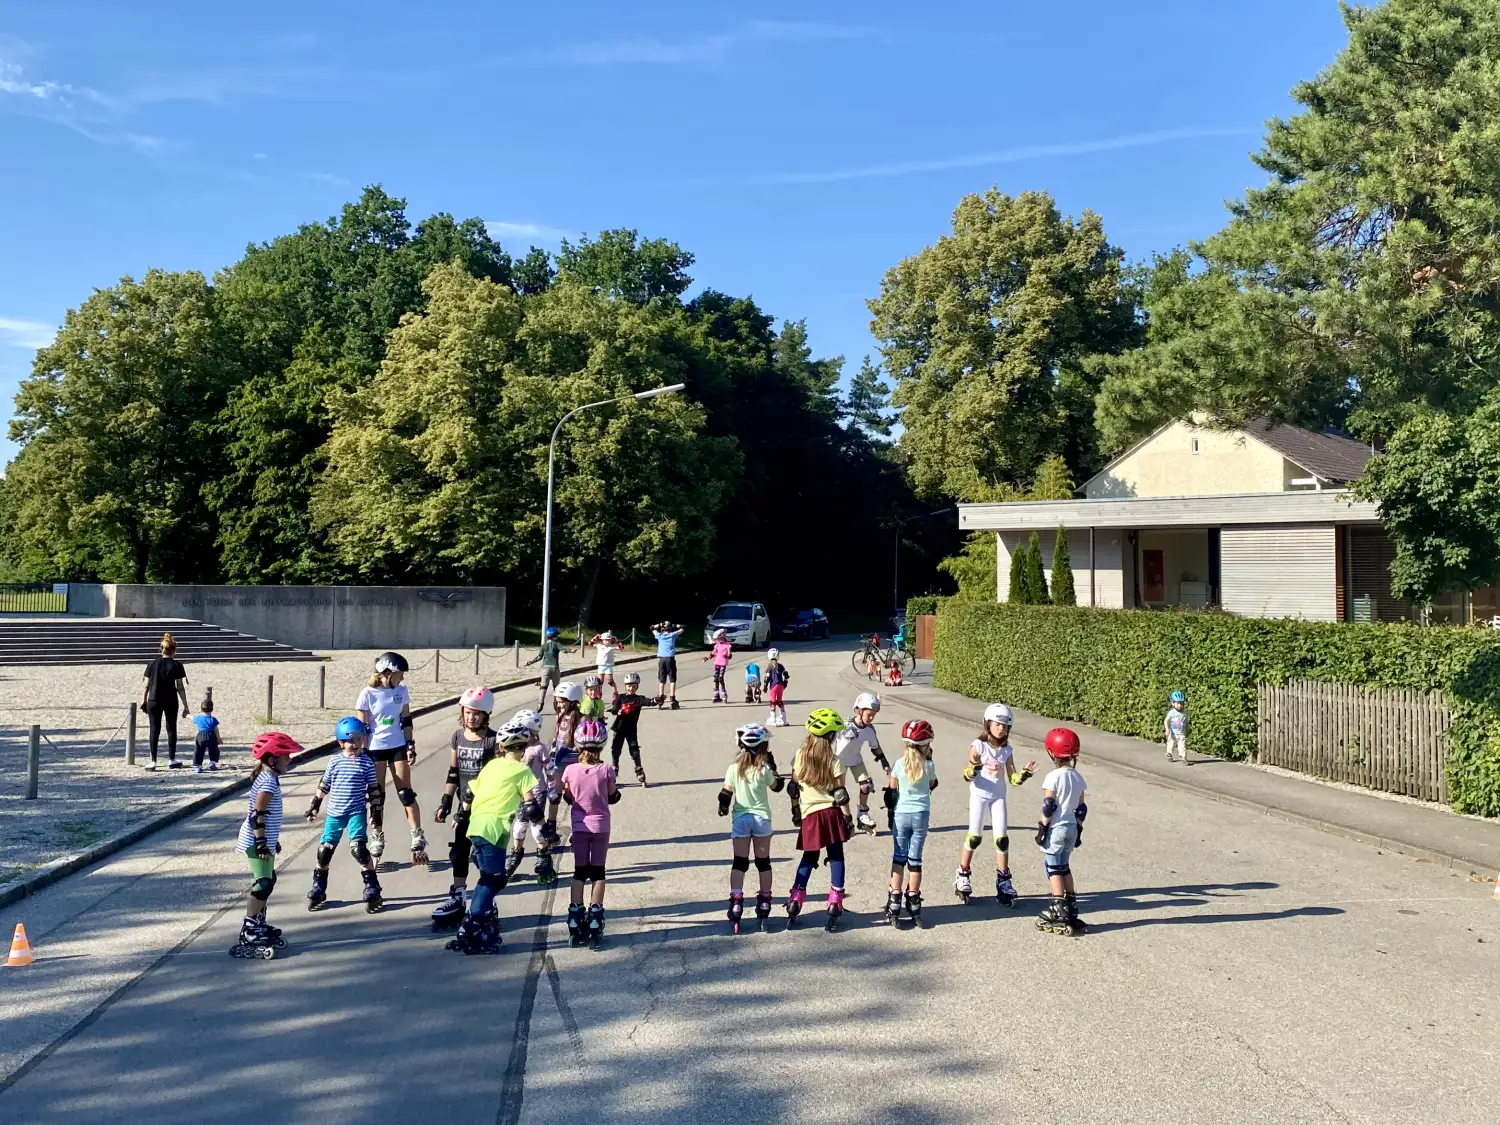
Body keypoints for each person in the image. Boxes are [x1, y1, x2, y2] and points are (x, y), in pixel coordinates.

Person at [445, 723, 539, 955]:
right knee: (495, 880)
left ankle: (475, 922)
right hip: (493, 829)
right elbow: (530, 807)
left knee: (488, 878)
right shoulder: (522, 771)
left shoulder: (491, 766)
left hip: (476, 826)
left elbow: (468, 792)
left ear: (500, 747)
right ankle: (471, 925)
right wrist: (544, 827)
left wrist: (461, 814)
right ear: (525, 747)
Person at [430, 686, 502, 930]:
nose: (471, 717)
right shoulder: (457, 737)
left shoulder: (493, 740)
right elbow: (453, 773)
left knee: (482, 856)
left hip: (485, 808)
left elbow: (495, 777)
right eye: (468, 712)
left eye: (477, 713)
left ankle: (486, 902)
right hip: (463, 805)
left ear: (486, 715)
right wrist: (445, 802)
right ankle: (459, 895)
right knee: (459, 853)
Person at [954, 702, 1036, 907]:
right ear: (987, 724)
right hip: (980, 795)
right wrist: (972, 771)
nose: (1001, 728)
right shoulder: (978, 746)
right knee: (974, 837)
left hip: (999, 797)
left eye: (1005, 725)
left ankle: (1004, 880)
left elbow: (1013, 778)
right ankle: (962, 873)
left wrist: (1024, 775)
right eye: (997, 724)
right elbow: (967, 774)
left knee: (1002, 840)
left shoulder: (1007, 750)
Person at [230, 731, 301, 959]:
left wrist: (272, 840)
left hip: (264, 839)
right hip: (255, 839)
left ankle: (258, 923)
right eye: (285, 756)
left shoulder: (269, 778)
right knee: (263, 884)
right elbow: (257, 816)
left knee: (268, 881)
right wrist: (261, 843)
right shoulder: (267, 783)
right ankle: (250, 931)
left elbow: (266, 817)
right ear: (272, 760)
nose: (289, 759)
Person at [304, 717, 383, 914]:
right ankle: (319, 887)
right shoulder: (335, 761)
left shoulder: (367, 762)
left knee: (359, 850)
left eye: (359, 739)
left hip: (356, 811)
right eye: (351, 740)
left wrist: (376, 812)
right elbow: (325, 784)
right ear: (341, 743)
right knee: (324, 851)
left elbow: (374, 789)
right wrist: (315, 805)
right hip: (334, 813)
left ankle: (372, 886)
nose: (355, 744)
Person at [355, 651, 428, 866]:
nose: (403, 678)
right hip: (375, 749)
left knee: (405, 792)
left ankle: (417, 834)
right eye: (400, 674)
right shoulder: (367, 694)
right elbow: (363, 727)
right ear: (386, 673)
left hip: (397, 746)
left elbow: (406, 719)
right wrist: (361, 753)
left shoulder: (402, 691)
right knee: (377, 796)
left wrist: (410, 745)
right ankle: (377, 836)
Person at [785, 708, 851, 931]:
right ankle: (835, 901)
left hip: (810, 816)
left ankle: (795, 899)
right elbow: (841, 794)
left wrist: (796, 812)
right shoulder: (834, 760)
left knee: (808, 858)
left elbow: (793, 788)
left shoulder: (800, 756)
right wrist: (848, 819)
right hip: (832, 815)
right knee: (836, 856)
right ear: (831, 736)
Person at [717, 722, 783, 933]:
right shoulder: (763, 769)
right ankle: (764, 902)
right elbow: (777, 787)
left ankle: (736, 902)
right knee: (763, 863)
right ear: (763, 747)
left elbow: (725, 793)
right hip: (762, 819)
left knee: (740, 863)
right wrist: (773, 766)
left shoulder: (733, 769)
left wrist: (723, 807)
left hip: (741, 819)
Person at [562, 718, 620, 948]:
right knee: (598, 872)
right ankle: (595, 917)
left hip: (579, 827)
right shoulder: (606, 770)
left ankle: (576, 915)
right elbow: (612, 795)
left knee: (579, 872)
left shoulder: (570, 770)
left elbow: (567, 796)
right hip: (600, 827)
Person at [1034, 727, 1089, 936]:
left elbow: (1048, 805)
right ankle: (1072, 905)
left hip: (1056, 828)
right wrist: (1079, 829)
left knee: (1053, 868)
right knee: (1065, 867)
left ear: (1051, 752)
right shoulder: (1077, 777)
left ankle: (1059, 908)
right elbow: (1082, 808)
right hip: (1072, 828)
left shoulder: (1053, 777)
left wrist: (1043, 826)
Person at [884, 719, 938, 925]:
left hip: (901, 814)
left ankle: (894, 900)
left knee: (899, 858)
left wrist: (890, 813)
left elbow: (891, 791)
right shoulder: (929, 765)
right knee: (915, 861)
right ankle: (913, 900)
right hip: (920, 815)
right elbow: (932, 783)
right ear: (925, 745)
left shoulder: (898, 764)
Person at [504, 709, 553, 883]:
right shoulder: (515, 748)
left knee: (537, 829)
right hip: (519, 794)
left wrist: (553, 787)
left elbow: (549, 769)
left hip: (537, 792)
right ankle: (515, 855)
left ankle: (544, 859)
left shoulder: (539, 748)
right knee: (518, 827)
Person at [833, 692, 891, 835]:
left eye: (873, 715)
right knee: (840, 793)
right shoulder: (844, 724)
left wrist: (884, 762)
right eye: (869, 714)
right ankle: (844, 819)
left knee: (866, 785)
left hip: (856, 759)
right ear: (859, 710)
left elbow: (875, 747)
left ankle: (862, 815)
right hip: (839, 760)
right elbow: (830, 739)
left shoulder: (870, 730)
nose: (871, 718)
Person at [540, 681, 583, 854]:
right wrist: (550, 757)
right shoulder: (559, 716)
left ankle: (578, 831)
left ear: (573, 701)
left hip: (574, 763)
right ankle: (551, 830)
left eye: (562, 701)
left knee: (574, 799)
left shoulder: (581, 718)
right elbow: (556, 738)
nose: (559, 705)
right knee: (553, 796)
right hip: (558, 762)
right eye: (557, 701)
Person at [140, 632, 190, 770]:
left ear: (161, 649)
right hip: (170, 699)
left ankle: (153, 761)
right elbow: (180, 687)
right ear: (174, 650)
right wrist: (186, 705)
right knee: (171, 729)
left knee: (154, 729)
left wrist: (143, 701)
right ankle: (171, 759)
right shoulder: (177, 665)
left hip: (154, 699)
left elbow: (146, 685)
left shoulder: (152, 664)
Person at [608, 670, 648, 787]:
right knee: (616, 749)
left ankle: (639, 769)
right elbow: (614, 709)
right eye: (628, 686)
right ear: (625, 686)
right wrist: (618, 711)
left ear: (637, 687)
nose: (630, 689)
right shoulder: (620, 697)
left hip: (631, 730)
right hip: (619, 728)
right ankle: (614, 767)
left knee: (634, 750)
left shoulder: (638, 699)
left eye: (633, 686)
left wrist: (656, 700)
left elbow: (648, 702)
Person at [526, 627, 564, 712]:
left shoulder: (543, 646)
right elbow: (564, 649)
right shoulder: (557, 644)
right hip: (555, 668)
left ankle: (540, 705)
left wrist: (531, 662)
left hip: (545, 669)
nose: (557, 637)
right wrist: (571, 651)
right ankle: (556, 705)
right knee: (556, 688)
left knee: (543, 687)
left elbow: (539, 657)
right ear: (554, 636)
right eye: (556, 635)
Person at [652, 621, 684, 709]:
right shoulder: (672, 635)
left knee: (662, 680)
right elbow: (683, 628)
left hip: (662, 659)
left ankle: (660, 698)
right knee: (672, 680)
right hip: (670, 659)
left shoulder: (659, 636)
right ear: (670, 629)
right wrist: (674, 625)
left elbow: (652, 628)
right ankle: (673, 699)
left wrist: (661, 624)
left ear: (662, 630)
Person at [192, 695, 222, 773]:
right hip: (211, 735)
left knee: (198, 750)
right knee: (213, 749)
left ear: (201, 709)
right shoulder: (213, 719)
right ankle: (212, 763)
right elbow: (216, 729)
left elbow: (192, 717)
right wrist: (218, 738)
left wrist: (186, 715)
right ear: (212, 709)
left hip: (201, 736)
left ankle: (198, 766)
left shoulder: (198, 718)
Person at [586, 630, 622, 695]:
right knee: (600, 681)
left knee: (610, 680)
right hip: (601, 665)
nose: (607, 641)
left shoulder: (612, 646)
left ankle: (615, 693)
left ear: (611, 640)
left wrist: (617, 640)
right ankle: (599, 692)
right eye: (605, 640)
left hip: (608, 666)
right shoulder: (599, 645)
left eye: (608, 640)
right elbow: (590, 644)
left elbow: (621, 647)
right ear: (602, 640)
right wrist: (595, 638)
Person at [762, 648, 790, 727]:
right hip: (780, 685)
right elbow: (786, 675)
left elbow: (767, 677)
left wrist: (765, 687)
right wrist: (785, 683)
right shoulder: (781, 666)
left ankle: (773, 718)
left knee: (773, 701)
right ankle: (783, 718)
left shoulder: (769, 666)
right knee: (780, 701)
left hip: (773, 686)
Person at [703, 629, 733, 704]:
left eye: (718, 639)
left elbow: (729, 654)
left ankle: (724, 694)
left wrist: (729, 656)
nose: (717, 640)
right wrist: (706, 658)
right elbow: (713, 653)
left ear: (723, 637)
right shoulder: (717, 645)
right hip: (717, 663)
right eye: (717, 639)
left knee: (720, 678)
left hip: (723, 663)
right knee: (716, 678)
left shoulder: (727, 645)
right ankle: (716, 694)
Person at [1164, 689, 1190, 764]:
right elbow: (1166, 720)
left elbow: (1186, 722)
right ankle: (1169, 753)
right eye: (1178, 703)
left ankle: (1183, 757)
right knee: (1171, 744)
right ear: (1173, 703)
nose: (1180, 705)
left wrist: (1187, 730)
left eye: (1181, 703)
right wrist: (1167, 729)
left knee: (1182, 746)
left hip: (1182, 733)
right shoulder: (1172, 713)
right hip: (1173, 733)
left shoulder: (1185, 713)